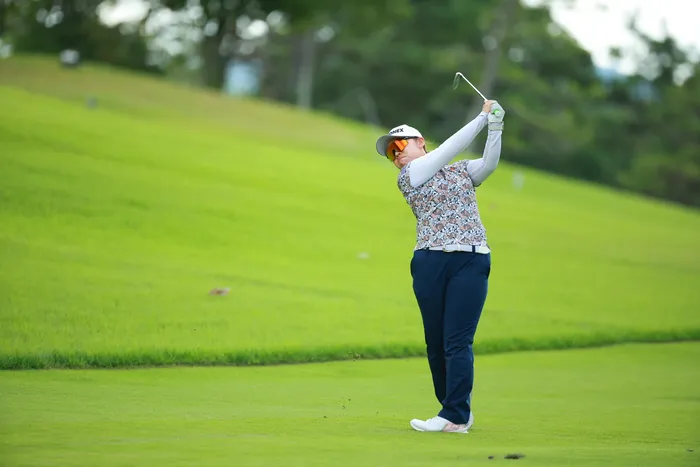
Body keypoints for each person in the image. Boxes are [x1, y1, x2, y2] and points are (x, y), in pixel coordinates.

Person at [374, 100, 505, 434]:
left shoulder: (460, 171)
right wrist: (481, 118)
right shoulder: (409, 177)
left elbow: (488, 164)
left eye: (399, 146)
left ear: (420, 142)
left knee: (457, 341)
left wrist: (495, 126)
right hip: (429, 260)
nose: (395, 155)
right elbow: (448, 149)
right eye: (390, 153)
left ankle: (455, 415)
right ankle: (455, 409)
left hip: (471, 259)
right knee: (436, 342)